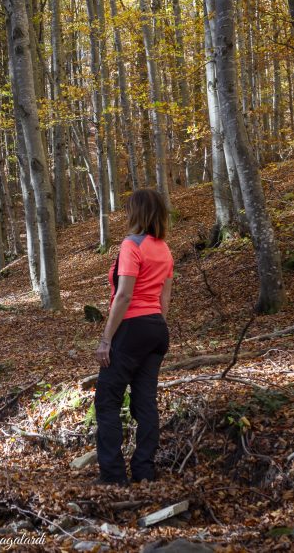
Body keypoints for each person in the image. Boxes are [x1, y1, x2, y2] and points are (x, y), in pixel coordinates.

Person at [93, 188, 174, 485]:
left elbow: (124, 294)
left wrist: (106, 339)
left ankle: (113, 475)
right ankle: (144, 471)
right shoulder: (164, 248)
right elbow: (165, 299)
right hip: (156, 328)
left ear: (136, 213)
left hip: (131, 327)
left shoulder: (131, 245)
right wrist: (154, 328)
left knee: (107, 400)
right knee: (145, 403)